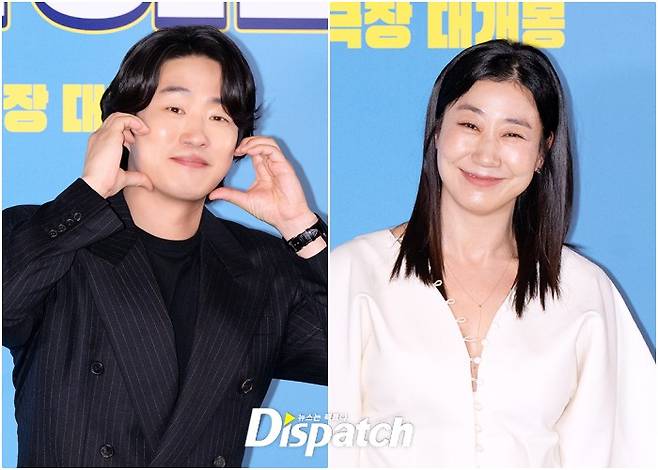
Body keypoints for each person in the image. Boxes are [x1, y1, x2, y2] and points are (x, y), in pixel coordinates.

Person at [3, 26, 327, 468]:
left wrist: (300, 227)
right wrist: (88, 193)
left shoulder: (264, 269)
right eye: (175, 108)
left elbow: (367, 354)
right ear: (124, 127)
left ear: (239, 144)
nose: (196, 135)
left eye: (219, 117)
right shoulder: (49, 236)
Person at [329, 39, 655, 467]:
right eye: (470, 125)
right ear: (437, 131)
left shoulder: (583, 290)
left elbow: (624, 450)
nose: (486, 154)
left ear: (542, 152)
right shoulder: (356, 272)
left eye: (513, 134)